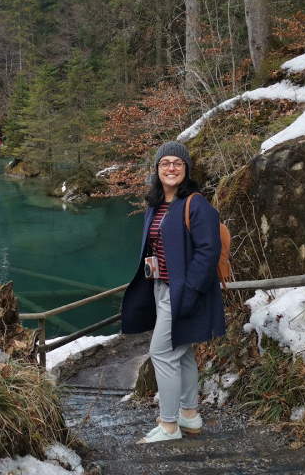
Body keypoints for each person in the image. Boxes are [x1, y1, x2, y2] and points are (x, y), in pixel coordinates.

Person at [121, 141, 226, 443]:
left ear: (186, 169)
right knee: (182, 352)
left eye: (177, 163)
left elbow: (208, 251)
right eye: (165, 163)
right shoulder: (155, 205)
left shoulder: (196, 204)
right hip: (161, 287)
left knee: (161, 352)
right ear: (156, 169)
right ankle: (189, 415)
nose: (171, 168)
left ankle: (168, 426)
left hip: (185, 291)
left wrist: (190, 291)